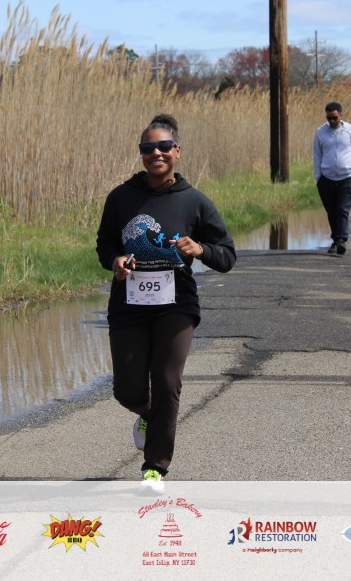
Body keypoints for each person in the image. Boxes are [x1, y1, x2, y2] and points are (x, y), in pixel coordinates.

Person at [96, 113, 236, 493]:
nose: (155, 153)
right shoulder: (121, 197)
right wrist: (115, 260)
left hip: (176, 305)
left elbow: (227, 256)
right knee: (127, 391)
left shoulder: (194, 201)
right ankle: (147, 414)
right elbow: (105, 245)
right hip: (129, 305)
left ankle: (154, 468)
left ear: (177, 151)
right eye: (148, 148)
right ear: (141, 153)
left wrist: (201, 249)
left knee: (168, 382)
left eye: (163, 146)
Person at [313, 102, 351, 255]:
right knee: (331, 211)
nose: (332, 121)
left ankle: (342, 240)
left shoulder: (349, 130)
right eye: (329, 118)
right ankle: (336, 240)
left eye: (334, 118)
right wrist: (318, 177)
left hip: (347, 177)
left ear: (341, 115)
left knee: (342, 209)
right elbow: (317, 155)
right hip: (327, 179)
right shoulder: (320, 132)